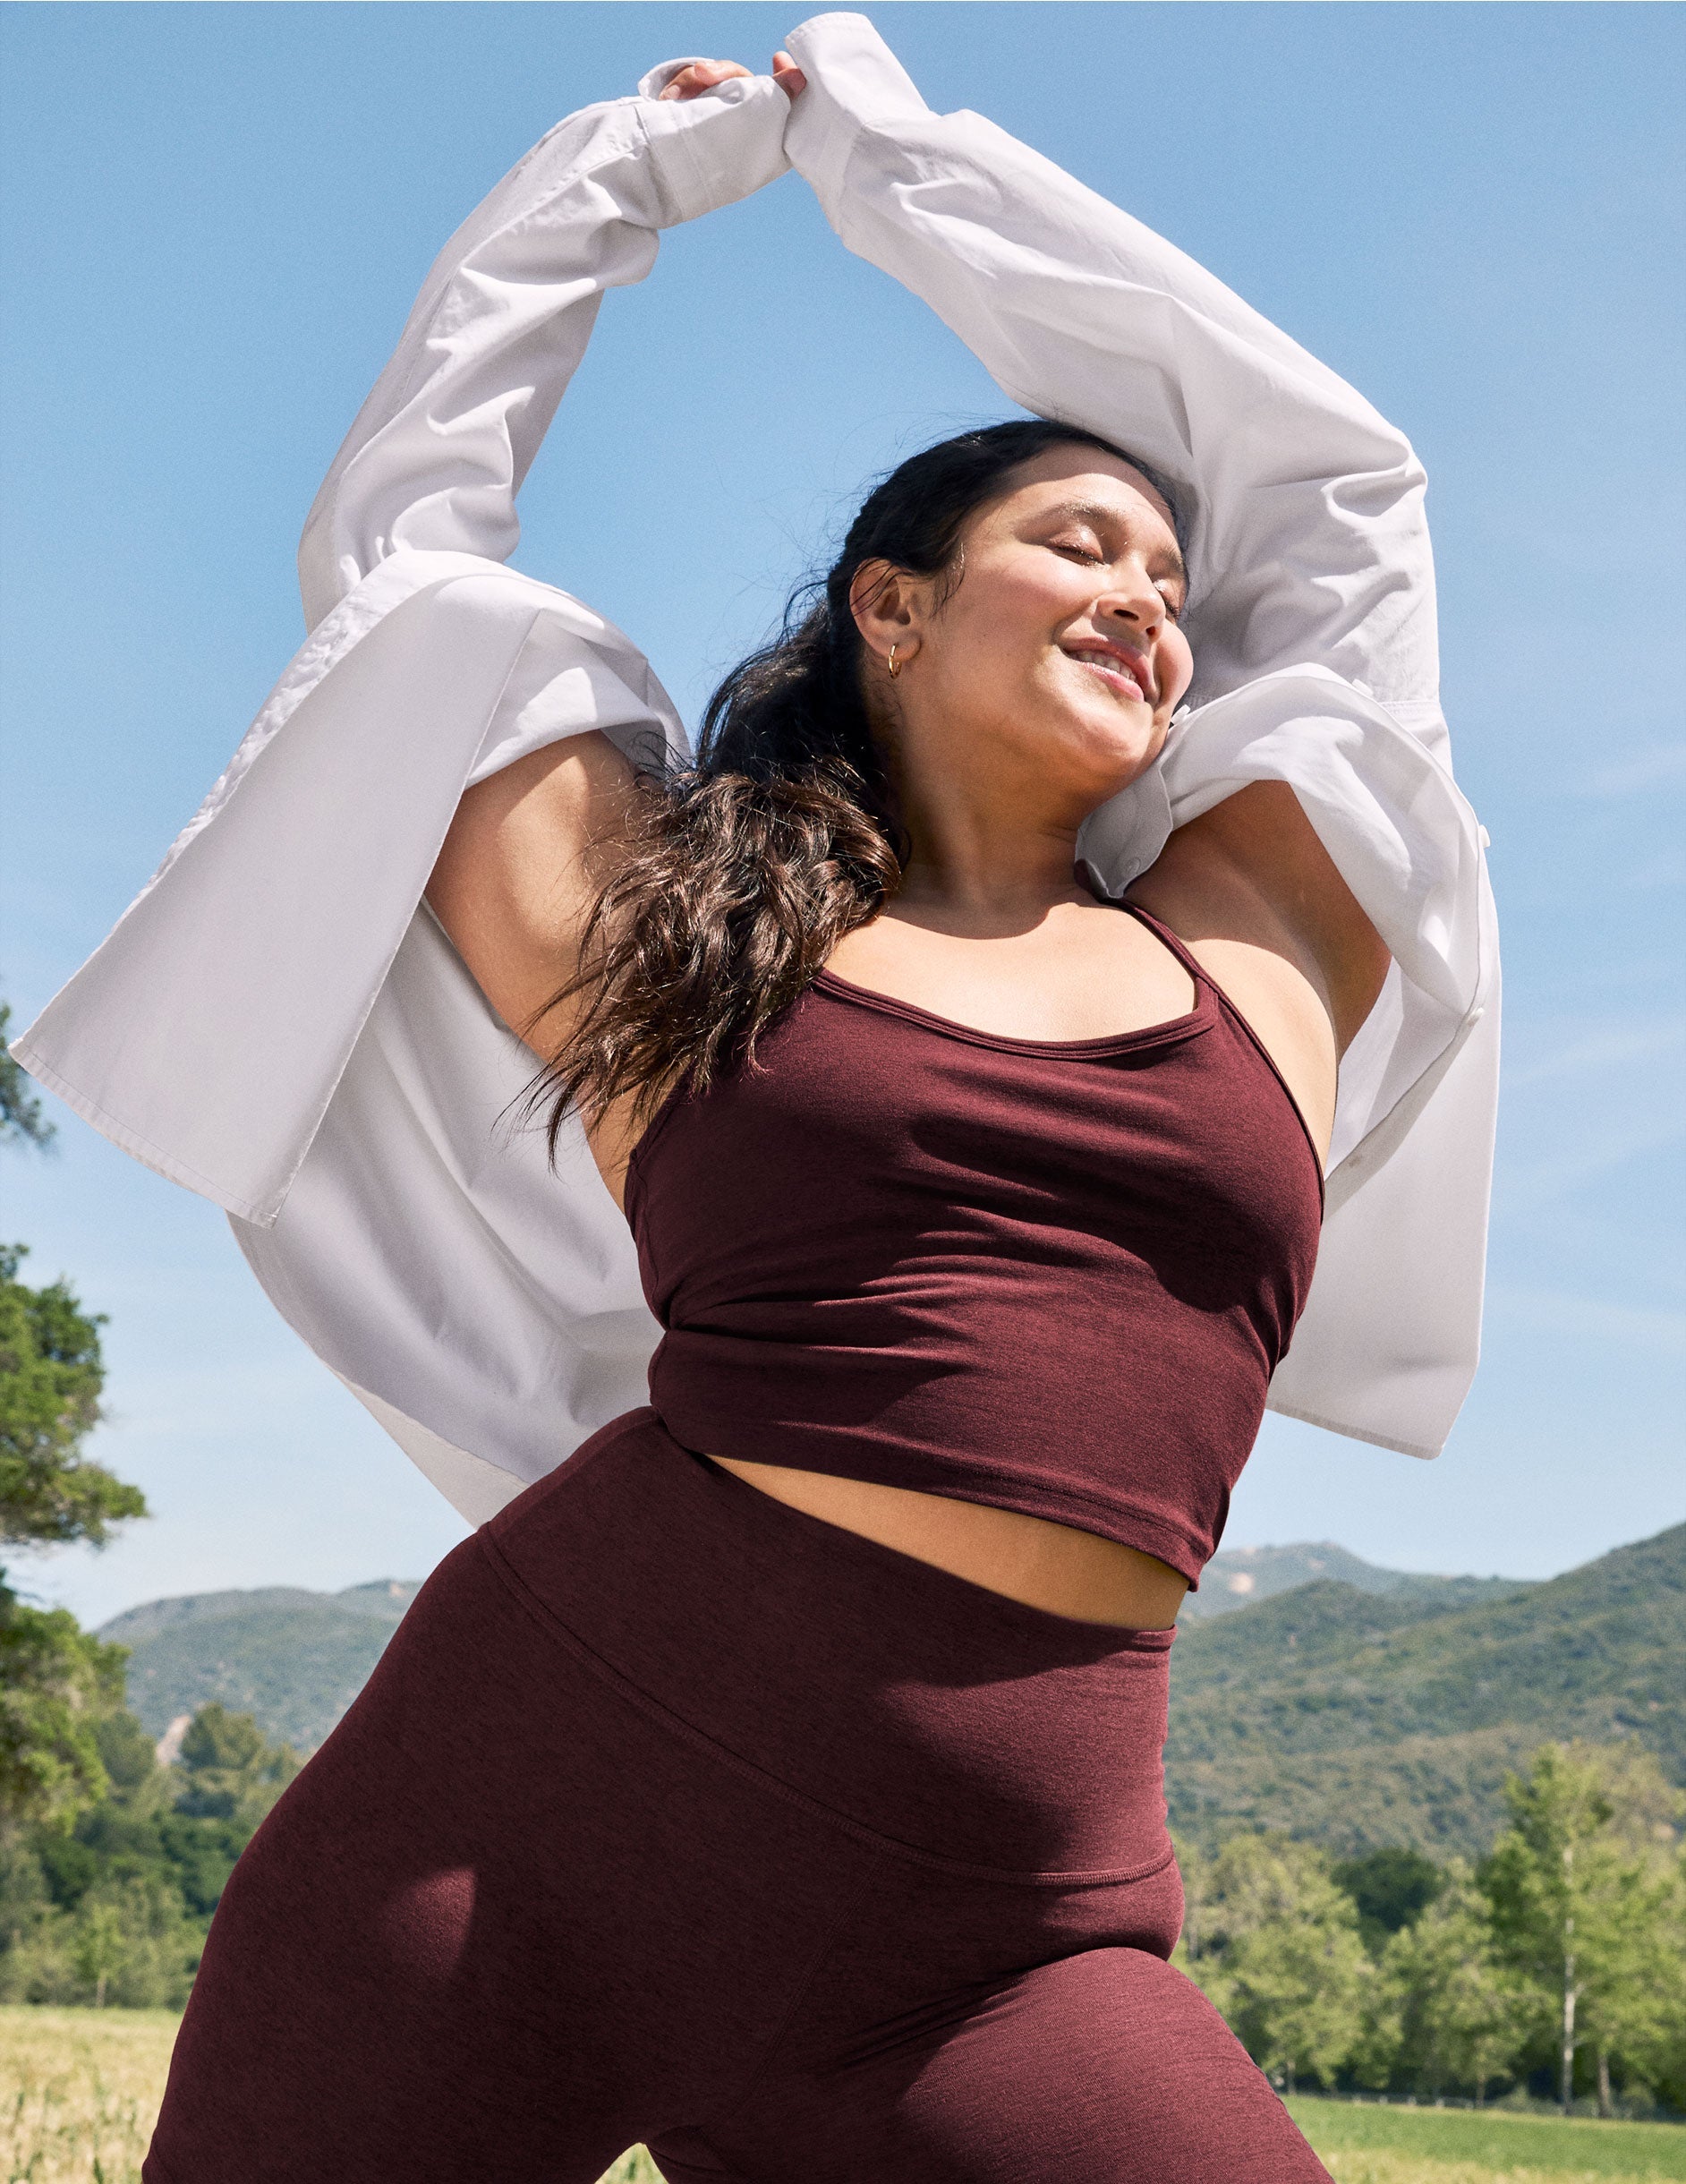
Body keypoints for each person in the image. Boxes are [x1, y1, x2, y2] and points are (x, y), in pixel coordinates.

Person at [14, 17, 1498, 2180]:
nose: (1152, 603)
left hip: (1006, 1936)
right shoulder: (694, 946)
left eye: (1176, 586)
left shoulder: (1266, 932)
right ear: (890, 606)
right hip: (531, 1819)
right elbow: (414, 574)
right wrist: (622, 184)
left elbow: (1346, 489)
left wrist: (899, 160)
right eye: (1081, 543)